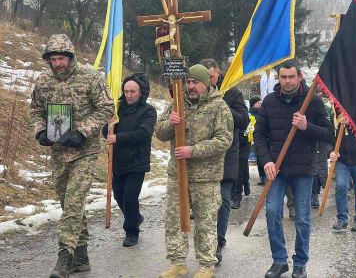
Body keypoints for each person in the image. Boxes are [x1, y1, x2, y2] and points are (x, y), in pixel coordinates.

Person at [30, 34, 114, 278]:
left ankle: (65, 257)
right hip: (58, 152)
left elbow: (107, 107)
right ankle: (82, 256)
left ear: (71, 57)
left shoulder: (90, 77)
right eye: (54, 59)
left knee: (75, 200)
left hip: (84, 151)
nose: (58, 63)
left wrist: (83, 131)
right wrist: (40, 131)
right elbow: (35, 110)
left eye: (62, 58)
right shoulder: (44, 81)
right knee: (69, 203)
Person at [254, 60, 334, 278]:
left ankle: (300, 263)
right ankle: (279, 261)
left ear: (299, 77)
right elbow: (259, 136)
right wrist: (267, 161)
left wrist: (307, 126)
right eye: (283, 77)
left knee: (301, 219)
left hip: (303, 170)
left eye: (291, 77)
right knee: (271, 213)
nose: (287, 81)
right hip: (276, 169)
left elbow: (329, 134)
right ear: (278, 79)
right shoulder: (269, 102)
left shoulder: (313, 102)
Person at [156, 64, 233, 278]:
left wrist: (193, 151)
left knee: (205, 221)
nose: (190, 86)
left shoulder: (219, 107)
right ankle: (177, 262)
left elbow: (223, 140)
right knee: (174, 219)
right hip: (177, 174)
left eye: (195, 82)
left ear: (206, 83)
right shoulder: (177, 104)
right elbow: (159, 133)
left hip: (205, 177)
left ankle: (206, 264)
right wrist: (169, 123)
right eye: (188, 82)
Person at [200, 59, 248, 264]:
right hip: (204, 154)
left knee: (222, 200)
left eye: (212, 76)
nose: (209, 80)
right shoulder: (196, 92)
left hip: (228, 153)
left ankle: (217, 243)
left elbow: (243, 121)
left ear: (219, 73)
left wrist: (221, 105)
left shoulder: (232, 93)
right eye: (205, 76)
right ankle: (206, 241)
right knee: (204, 203)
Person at [102, 73, 157, 247]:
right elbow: (107, 133)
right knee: (118, 195)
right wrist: (108, 125)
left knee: (130, 197)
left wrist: (118, 138)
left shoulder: (149, 111)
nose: (129, 95)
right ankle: (136, 218)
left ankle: (132, 231)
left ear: (141, 92)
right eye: (126, 91)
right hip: (118, 161)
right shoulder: (117, 109)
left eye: (132, 91)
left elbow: (144, 133)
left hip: (137, 162)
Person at [330, 121, 356, 232]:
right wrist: (330, 152)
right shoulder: (335, 117)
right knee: (341, 185)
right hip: (341, 161)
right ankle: (342, 219)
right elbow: (327, 138)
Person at [231, 127, 251, 209]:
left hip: (244, 141)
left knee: (239, 172)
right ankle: (246, 183)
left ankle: (237, 198)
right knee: (240, 169)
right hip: (232, 143)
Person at [311, 142, 330, 209]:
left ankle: (315, 197)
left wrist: (329, 151)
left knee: (318, 176)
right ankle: (312, 197)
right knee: (312, 175)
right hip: (309, 148)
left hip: (321, 149)